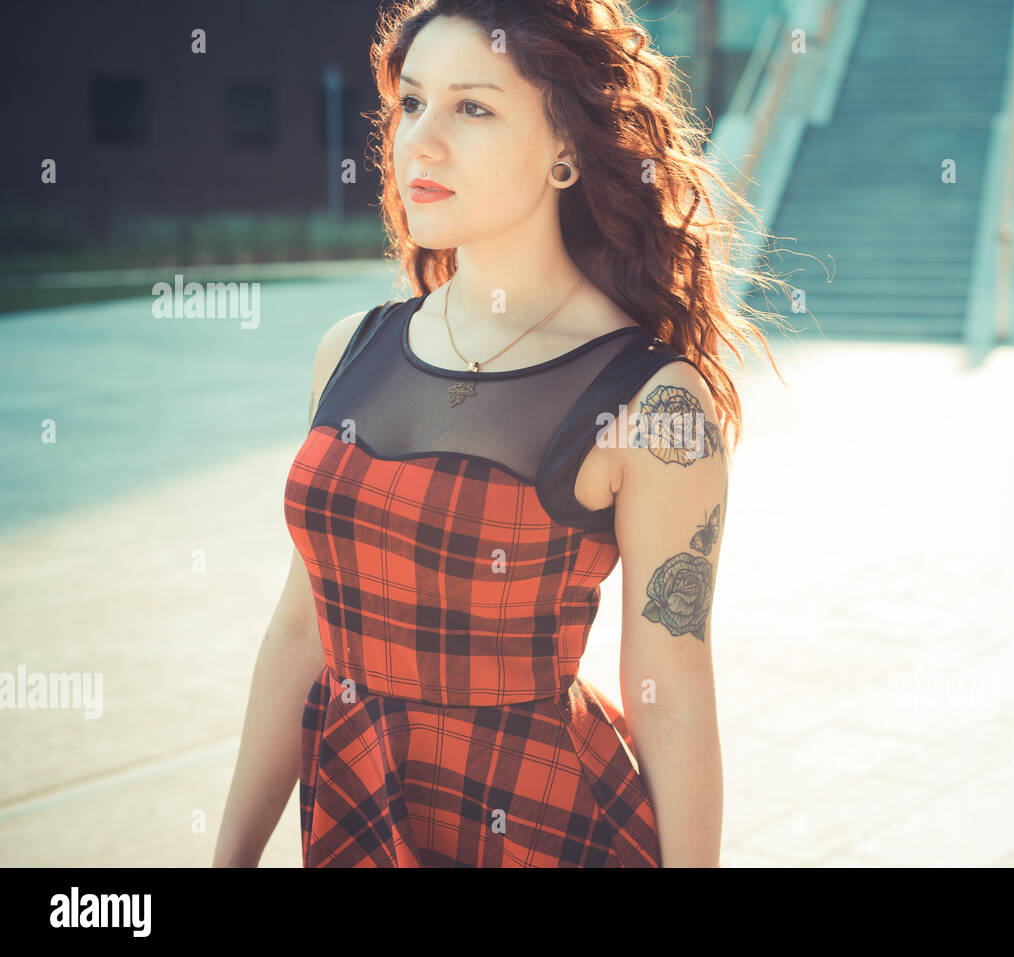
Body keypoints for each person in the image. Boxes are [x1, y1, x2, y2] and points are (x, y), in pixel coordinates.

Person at [214, 0, 790, 867]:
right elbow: (302, 630)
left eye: (472, 107)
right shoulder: (351, 350)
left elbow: (669, 688)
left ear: (565, 149)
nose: (422, 141)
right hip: (355, 822)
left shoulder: (653, 403)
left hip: (542, 827)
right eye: (411, 103)